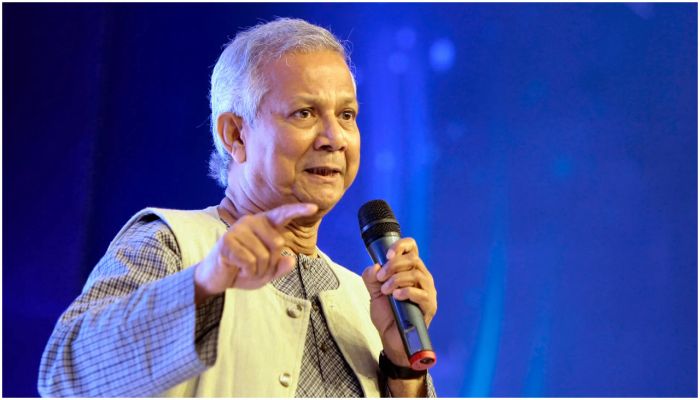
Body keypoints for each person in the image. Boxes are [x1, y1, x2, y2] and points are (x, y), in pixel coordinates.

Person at [38, 17, 438, 397]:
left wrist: (404, 369)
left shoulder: (366, 298)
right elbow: (64, 378)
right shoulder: (173, 246)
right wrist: (204, 284)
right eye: (305, 113)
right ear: (235, 135)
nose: (335, 138)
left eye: (346, 115)